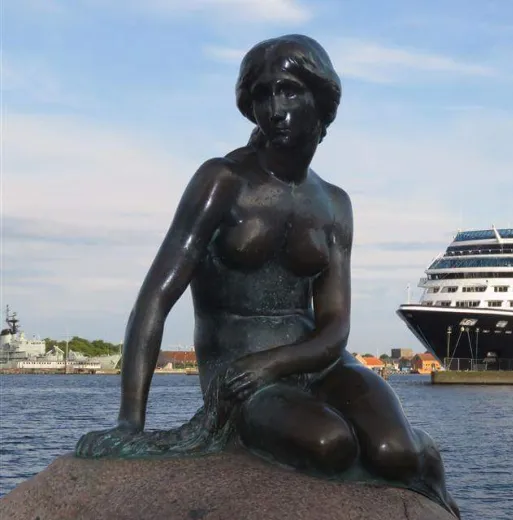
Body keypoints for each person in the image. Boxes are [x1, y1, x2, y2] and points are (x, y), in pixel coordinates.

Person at [75, 34, 459, 518]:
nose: (275, 109)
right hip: (242, 377)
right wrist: (130, 422)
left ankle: (420, 453)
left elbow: (335, 326)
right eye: (262, 95)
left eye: (289, 91)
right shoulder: (223, 181)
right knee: (329, 445)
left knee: (395, 452)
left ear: (321, 100)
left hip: (317, 363)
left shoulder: (335, 204)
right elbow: (154, 298)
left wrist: (280, 361)